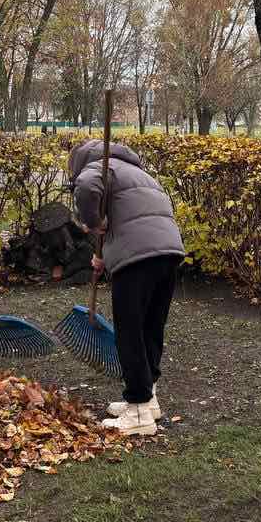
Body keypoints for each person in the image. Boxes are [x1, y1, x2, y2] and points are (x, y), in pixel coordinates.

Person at [69, 139, 184, 436]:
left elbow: (86, 188)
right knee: (150, 328)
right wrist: (105, 256)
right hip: (169, 252)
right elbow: (134, 220)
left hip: (137, 259)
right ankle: (148, 399)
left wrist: (93, 222)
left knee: (130, 332)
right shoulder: (138, 173)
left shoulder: (101, 167)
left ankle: (138, 412)